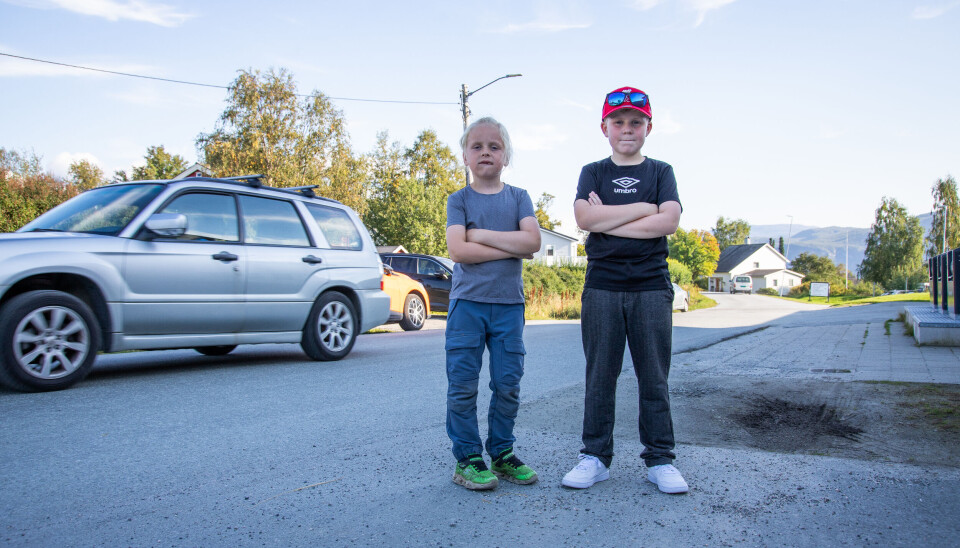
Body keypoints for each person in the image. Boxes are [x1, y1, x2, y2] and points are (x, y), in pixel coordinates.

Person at [561, 87, 688, 494]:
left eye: (636, 121)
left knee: (654, 378)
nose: (627, 129)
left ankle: (660, 460)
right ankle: (595, 458)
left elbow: (668, 222)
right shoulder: (593, 172)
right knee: (600, 376)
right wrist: (645, 209)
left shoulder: (661, 172)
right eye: (618, 122)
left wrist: (608, 218)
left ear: (649, 127)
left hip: (651, 286)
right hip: (602, 285)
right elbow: (584, 218)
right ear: (605, 128)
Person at [444, 117, 542, 490]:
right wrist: (511, 245)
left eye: (494, 146)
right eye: (477, 146)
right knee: (463, 384)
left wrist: (480, 235)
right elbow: (458, 250)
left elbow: (532, 242)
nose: (486, 152)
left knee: (507, 383)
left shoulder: (518, 197)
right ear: (465, 156)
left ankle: (502, 453)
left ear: (506, 156)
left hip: (508, 306)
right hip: (467, 305)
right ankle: (467, 459)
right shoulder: (459, 200)